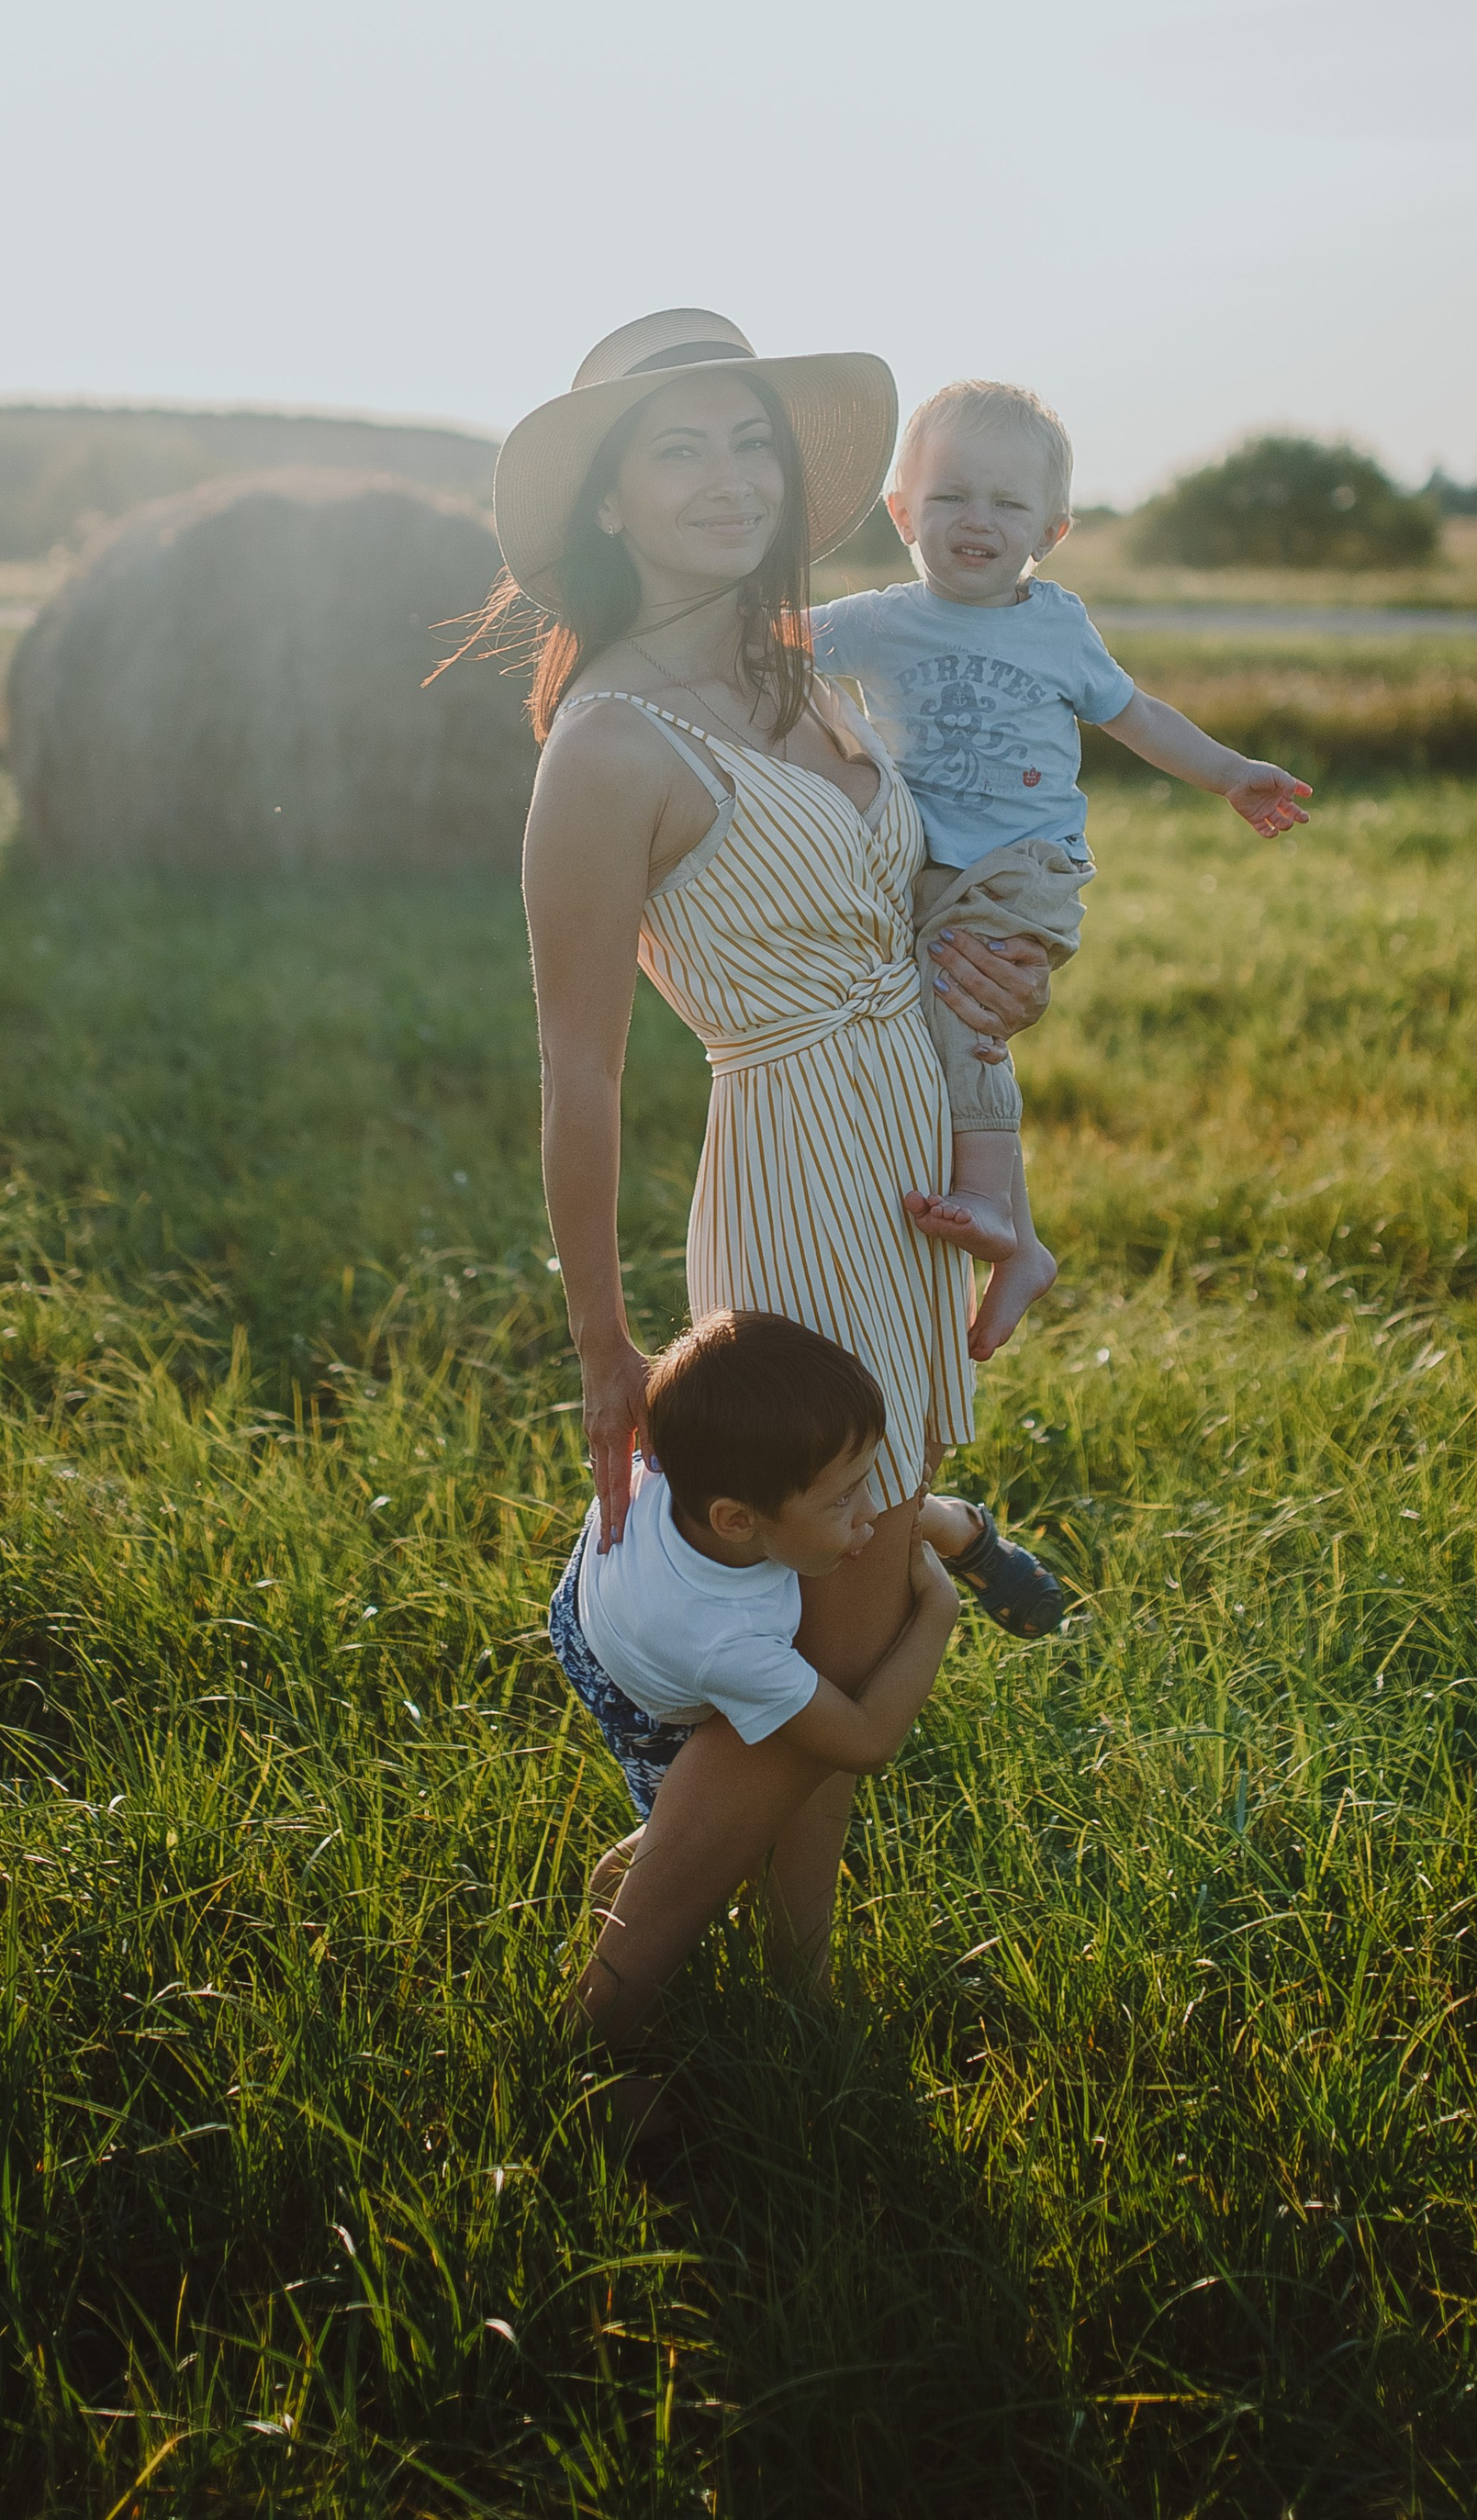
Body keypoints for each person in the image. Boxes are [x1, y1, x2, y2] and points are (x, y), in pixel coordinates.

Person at [485, 308, 1065, 2060]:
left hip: (901, 1171)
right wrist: (605, 1350)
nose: (730, 478)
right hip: (798, 1192)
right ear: (609, 495)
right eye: (682, 448)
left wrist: (993, 1016)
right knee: (816, 1678)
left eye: (750, 443)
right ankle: (611, 2028)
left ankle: (800, 1999)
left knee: (845, 1620)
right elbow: (580, 1071)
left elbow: (908, 926)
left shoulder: (803, 668)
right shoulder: (608, 748)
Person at [814, 378, 1313, 1359]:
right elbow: (763, 641)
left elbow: (1137, 715)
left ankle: (991, 1210)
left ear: (1051, 530)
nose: (977, 520)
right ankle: (1022, 1251)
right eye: (952, 496)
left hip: (1021, 865)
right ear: (902, 511)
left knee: (961, 1005)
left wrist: (1227, 775)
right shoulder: (873, 621)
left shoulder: (1055, 626)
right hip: (918, 864)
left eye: (1007, 504)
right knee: (921, 1031)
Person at [548, 1310, 962, 2033]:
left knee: (730, 1818)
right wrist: (938, 1613)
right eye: (844, 1497)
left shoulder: (689, 1445)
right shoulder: (733, 1645)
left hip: (592, 1593)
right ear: (737, 1521)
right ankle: (606, 2042)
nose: (871, 1513)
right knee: (708, 1847)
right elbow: (865, 1741)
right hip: (637, 1688)